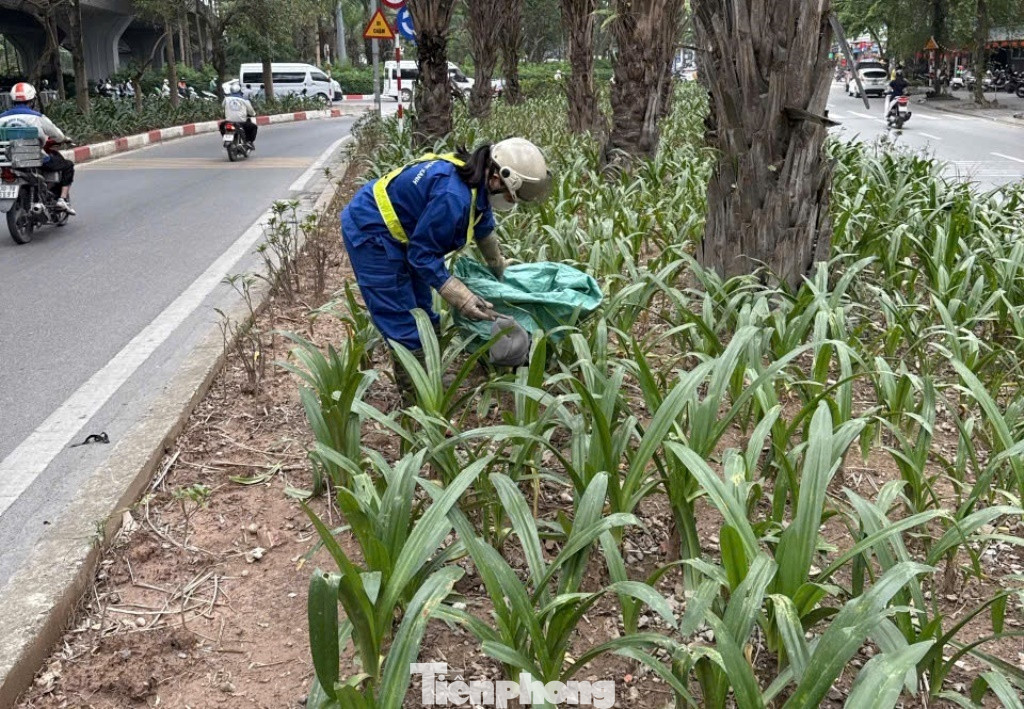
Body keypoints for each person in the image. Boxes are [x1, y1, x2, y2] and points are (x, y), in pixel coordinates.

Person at [340, 138, 552, 398]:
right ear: (498, 177)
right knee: (402, 318)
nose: (511, 201)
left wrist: (497, 264)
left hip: (405, 232)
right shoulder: (452, 197)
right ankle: (418, 403)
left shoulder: (475, 177)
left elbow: (482, 221)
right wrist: (462, 297)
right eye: (511, 194)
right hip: (372, 231)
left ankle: (430, 373)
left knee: (423, 310)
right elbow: (423, 256)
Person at [0, 82, 76, 215]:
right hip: (35, 158)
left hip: (8, 159)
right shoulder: (37, 117)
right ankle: (62, 199)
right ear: (32, 100)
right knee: (68, 165)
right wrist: (63, 139)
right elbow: (57, 135)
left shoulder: (1, 118)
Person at [220, 81, 257, 148]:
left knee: (221, 126)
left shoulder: (226, 99)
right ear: (240, 91)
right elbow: (251, 112)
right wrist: (253, 114)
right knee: (253, 127)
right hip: (241, 122)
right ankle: (249, 141)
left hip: (228, 121)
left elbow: (222, 106)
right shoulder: (244, 100)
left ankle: (225, 138)